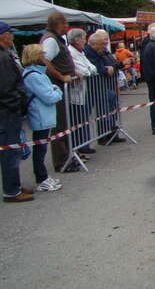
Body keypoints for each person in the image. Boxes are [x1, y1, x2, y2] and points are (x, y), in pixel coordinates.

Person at [40, 12, 79, 172]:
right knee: (60, 125)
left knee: (64, 123)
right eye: (66, 23)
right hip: (56, 87)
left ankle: (67, 156)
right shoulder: (51, 40)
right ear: (59, 24)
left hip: (60, 86)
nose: (67, 26)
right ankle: (62, 161)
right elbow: (43, 60)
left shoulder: (54, 38)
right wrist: (61, 76)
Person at [21, 44, 64, 192]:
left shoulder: (37, 74)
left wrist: (53, 90)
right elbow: (49, 96)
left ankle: (43, 176)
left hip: (44, 115)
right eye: (41, 55)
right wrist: (58, 91)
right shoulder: (33, 75)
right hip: (40, 116)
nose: (44, 58)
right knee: (40, 149)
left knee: (42, 148)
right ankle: (41, 178)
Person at [0, 21, 32, 202]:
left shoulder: (5, 54)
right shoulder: (2, 57)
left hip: (9, 110)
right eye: (9, 33)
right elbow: (6, 88)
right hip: (7, 112)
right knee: (9, 151)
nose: (12, 36)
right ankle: (11, 191)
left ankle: (15, 185)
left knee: (13, 150)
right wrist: (17, 105)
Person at [84, 32, 128, 145]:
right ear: (95, 43)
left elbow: (109, 65)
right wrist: (107, 68)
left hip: (107, 83)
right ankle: (105, 135)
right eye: (103, 42)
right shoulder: (91, 52)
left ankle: (112, 132)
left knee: (111, 107)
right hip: (98, 85)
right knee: (103, 110)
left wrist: (112, 67)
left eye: (106, 41)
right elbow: (98, 68)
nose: (105, 44)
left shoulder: (103, 51)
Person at [67, 28, 98, 155]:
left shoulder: (81, 52)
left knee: (84, 118)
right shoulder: (71, 52)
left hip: (83, 91)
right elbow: (85, 70)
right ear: (77, 40)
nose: (85, 40)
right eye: (84, 38)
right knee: (78, 120)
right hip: (76, 93)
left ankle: (84, 144)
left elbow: (92, 68)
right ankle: (79, 146)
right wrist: (88, 70)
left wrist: (89, 70)